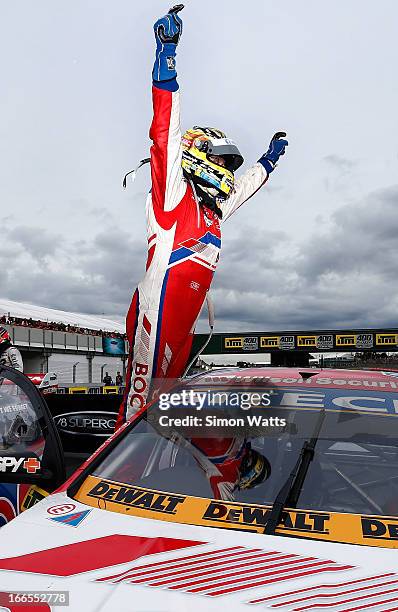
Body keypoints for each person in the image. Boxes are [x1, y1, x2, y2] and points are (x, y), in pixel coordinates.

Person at [117, 5, 288, 427]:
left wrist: (269, 160)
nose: (227, 174)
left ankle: (157, 468)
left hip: (184, 324)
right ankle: (102, 480)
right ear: (198, 156)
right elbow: (164, 132)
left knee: (165, 409)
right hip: (156, 313)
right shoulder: (173, 196)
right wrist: (166, 57)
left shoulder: (214, 211)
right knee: (139, 409)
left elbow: (246, 187)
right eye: (222, 164)